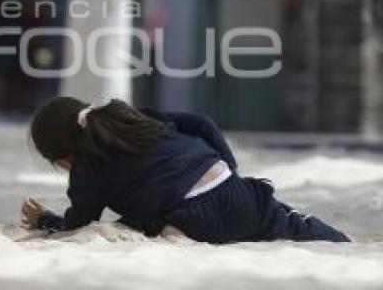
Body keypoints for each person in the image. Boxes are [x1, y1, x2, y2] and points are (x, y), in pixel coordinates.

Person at [21, 96, 350, 243]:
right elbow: (203, 123)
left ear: (62, 158)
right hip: (236, 190)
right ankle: (342, 242)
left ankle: (175, 235)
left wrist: (44, 220)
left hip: (191, 220)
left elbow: (78, 224)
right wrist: (229, 170)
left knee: (144, 222)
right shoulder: (133, 116)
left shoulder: (86, 175)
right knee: (289, 223)